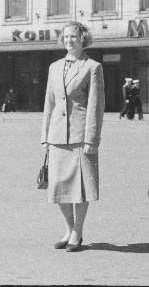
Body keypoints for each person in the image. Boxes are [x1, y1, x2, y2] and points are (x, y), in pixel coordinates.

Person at [41, 21, 105, 252]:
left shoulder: (92, 67)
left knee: (80, 188)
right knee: (58, 189)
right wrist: (45, 137)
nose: (69, 41)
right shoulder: (54, 67)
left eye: (74, 37)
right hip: (57, 136)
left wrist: (91, 139)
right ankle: (68, 229)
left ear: (83, 39)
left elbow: (95, 106)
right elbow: (49, 103)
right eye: (66, 37)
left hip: (80, 136)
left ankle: (77, 232)